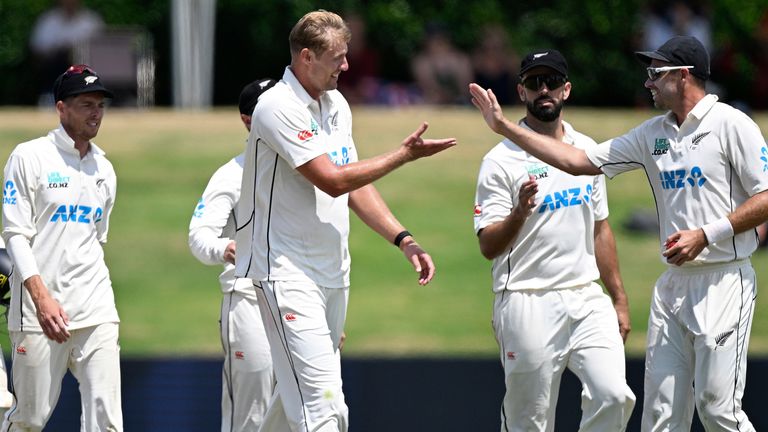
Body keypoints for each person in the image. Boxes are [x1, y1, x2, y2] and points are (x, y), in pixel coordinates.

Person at [470, 35, 766, 431]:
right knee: (659, 417)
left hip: (724, 279)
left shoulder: (732, 124)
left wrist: (706, 234)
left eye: (655, 74)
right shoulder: (651, 134)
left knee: (716, 409)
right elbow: (576, 162)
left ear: (682, 76)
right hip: (671, 286)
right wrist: (503, 126)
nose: (648, 83)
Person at [234, 10, 456, 432]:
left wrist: (403, 238)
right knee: (326, 410)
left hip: (332, 274)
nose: (347, 66)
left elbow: (354, 183)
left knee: (289, 407)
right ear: (306, 57)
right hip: (286, 274)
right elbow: (333, 181)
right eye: (337, 57)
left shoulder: (336, 104)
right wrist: (403, 155)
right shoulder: (276, 107)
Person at [473, 49, 635, 431]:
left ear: (566, 90)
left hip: (585, 294)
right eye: (534, 82)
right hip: (526, 297)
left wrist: (620, 300)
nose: (543, 89)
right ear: (521, 91)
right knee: (530, 420)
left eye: (552, 82)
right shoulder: (501, 160)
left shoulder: (586, 150)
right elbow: (487, 247)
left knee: (614, 395)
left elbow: (601, 228)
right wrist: (518, 214)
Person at [1, 64, 121, 430]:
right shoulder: (29, 156)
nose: (96, 113)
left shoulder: (105, 168)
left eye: (100, 104)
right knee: (30, 420)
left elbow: (96, 240)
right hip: (40, 312)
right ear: (61, 107)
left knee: (107, 420)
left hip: (96, 307)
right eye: (86, 104)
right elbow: (15, 234)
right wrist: (42, 299)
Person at [188, 78, 278, 432]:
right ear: (247, 120)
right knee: (251, 414)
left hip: (297, 302)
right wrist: (225, 247)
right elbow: (198, 235)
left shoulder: (306, 170)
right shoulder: (231, 174)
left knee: (305, 407)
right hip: (248, 300)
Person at [29, 0, 105, 106]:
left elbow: (100, 49)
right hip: (55, 64)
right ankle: (52, 95)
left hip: (85, 65)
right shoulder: (48, 20)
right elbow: (38, 48)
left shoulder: (91, 20)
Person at [411, 22, 474, 105]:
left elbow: (466, 89)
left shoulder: (460, 60)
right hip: (433, 103)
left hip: (461, 102)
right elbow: (428, 88)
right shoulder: (421, 62)